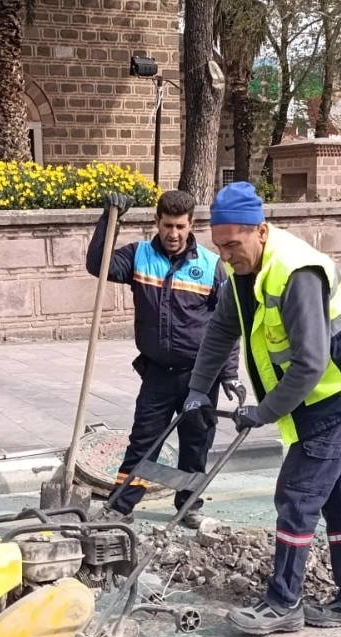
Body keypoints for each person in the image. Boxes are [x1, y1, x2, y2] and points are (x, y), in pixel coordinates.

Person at [183, 181, 341, 636]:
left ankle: (283, 604)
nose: (226, 257)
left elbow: (311, 363)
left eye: (233, 245)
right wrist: (198, 390)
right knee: (339, 495)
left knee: (297, 494)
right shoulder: (242, 274)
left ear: (260, 231)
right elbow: (220, 331)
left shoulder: (296, 274)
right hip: (329, 388)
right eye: (219, 247)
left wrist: (264, 412)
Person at [86, 189, 244, 529]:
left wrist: (229, 374)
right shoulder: (138, 256)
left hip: (200, 376)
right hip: (157, 373)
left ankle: (189, 506)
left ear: (191, 225)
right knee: (144, 442)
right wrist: (109, 220)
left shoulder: (210, 265)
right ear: (156, 222)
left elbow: (228, 324)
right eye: (168, 225)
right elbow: (97, 265)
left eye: (180, 226)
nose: (173, 234)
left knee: (196, 444)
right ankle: (121, 506)